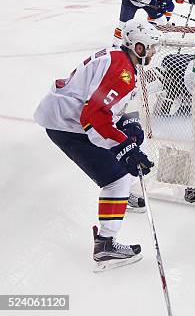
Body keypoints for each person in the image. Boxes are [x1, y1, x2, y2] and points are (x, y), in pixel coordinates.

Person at [33, 20, 162, 271]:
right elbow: (93, 119)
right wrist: (125, 147)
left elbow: (106, 105)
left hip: (71, 116)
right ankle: (105, 246)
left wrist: (127, 130)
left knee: (127, 147)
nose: (154, 52)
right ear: (137, 47)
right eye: (151, 47)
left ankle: (119, 197)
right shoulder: (122, 71)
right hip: (68, 125)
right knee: (118, 179)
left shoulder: (120, 58)